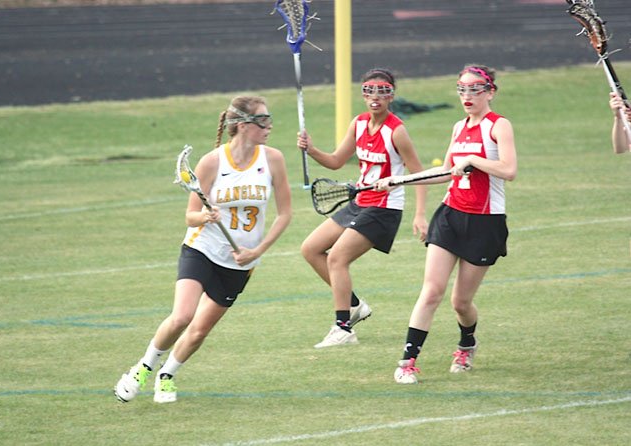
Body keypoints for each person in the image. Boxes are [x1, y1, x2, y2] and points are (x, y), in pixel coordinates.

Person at [114, 96, 292, 403]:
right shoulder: (212, 162)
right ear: (242, 126)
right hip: (203, 249)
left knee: (198, 331)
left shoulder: (273, 159)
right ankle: (142, 368)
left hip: (240, 261)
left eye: (269, 119)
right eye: (262, 120)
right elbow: (190, 215)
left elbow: (285, 214)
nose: (269, 126)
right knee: (182, 316)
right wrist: (206, 216)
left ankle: (167, 374)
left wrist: (257, 251)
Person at [375, 64, 517, 384]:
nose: (467, 95)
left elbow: (508, 170)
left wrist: (473, 161)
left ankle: (467, 344)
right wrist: (401, 180)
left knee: (460, 302)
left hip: (485, 222)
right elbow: (445, 173)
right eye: (461, 89)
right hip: (451, 215)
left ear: (490, 92)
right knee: (431, 292)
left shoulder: (499, 126)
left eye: (475, 89)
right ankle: (407, 362)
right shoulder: (458, 127)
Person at [297, 68, 428, 348]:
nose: (375, 97)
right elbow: (335, 161)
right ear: (363, 95)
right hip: (360, 202)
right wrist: (311, 149)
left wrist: (419, 214)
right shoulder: (358, 124)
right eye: (369, 90)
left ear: (392, 95)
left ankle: (343, 328)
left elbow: (419, 174)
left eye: (383, 91)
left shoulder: (397, 131)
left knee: (337, 259)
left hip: (384, 209)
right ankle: (354, 305)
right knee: (311, 249)